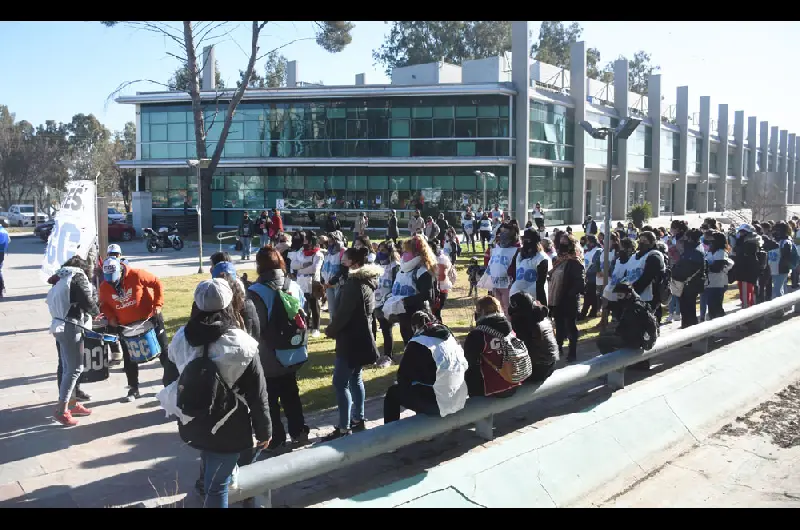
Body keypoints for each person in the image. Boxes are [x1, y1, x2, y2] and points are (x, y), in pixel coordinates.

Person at [157, 279, 271, 509]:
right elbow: (257, 394)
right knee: (217, 484)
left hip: (193, 419)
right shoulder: (243, 344)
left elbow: (169, 380)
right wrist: (264, 430)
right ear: (230, 303)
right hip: (229, 425)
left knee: (211, 465)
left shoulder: (180, 338)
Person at [247, 246, 310, 451]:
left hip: (268, 355)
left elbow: (254, 328)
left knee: (270, 399)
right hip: (292, 351)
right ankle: (299, 432)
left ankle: (277, 439)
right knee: (291, 393)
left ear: (259, 266)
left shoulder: (256, 292)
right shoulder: (293, 285)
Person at [323, 247, 382, 440]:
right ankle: (358, 418)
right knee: (355, 378)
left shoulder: (354, 284)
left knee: (340, 383)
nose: (342, 264)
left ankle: (344, 427)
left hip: (350, 339)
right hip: (362, 337)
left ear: (355, 264)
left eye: (345, 261)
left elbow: (343, 315)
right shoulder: (365, 280)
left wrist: (330, 330)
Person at [99, 258, 177, 401]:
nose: (111, 282)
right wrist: (110, 317)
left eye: (113, 278)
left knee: (164, 352)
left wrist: (158, 304)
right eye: (108, 279)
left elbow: (156, 283)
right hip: (126, 326)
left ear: (120, 271)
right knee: (129, 358)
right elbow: (104, 305)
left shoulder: (137, 274)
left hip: (150, 319)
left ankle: (172, 384)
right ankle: (133, 389)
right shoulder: (104, 286)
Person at [383, 310, 468, 423]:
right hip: (459, 396)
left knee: (393, 392)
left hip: (438, 403)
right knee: (424, 382)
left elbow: (402, 376)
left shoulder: (418, 342)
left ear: (414, 327)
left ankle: (391, 434)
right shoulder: (450, 337)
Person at [47, 255, 100, 426]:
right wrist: (96, 312)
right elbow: (88, 301)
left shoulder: (60, 279)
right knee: (75, 368)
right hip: (70, 326)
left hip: (59, 324)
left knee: (67, 366)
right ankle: (62, 410)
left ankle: (71, 403)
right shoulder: (77, 276)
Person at [463, 296, 527, 397]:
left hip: (494, 388)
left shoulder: (478, 334)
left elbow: (468, 362)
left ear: (481, 312)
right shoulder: (510, 328)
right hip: (516, 381)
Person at [381, 235, 438, 345]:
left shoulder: (422, 270)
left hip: (418, 316)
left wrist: (405, 300)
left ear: (417, 253)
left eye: (407, 251)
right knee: (407, 339)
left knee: (418, 343)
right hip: (404, 314)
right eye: (404, 251)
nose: (404, 254)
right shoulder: (403, 268)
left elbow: (427, 295)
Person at [596, 282, 658, 363]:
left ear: (628, 295)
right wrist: (608, 305)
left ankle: (613, 364)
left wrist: (619, 332)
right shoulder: (633, 302)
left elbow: (629, 326)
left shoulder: (635, 308)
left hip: (633, 339)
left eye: (620, 295)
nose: (619, 298)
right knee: (604, 335)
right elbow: (620, 306)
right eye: (617, 295)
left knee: (601, 341)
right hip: (633, 337)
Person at [548, 234, 585, 363]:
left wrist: (569, 294)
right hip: (556, 298)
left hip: (569, 299)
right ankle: (558, 348)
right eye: (561, 242)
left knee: (570, 326)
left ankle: (572, 352)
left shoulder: (575, 262)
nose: (562, 245)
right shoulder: (558, 260)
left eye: (565, 243)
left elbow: (580, 283)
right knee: (559, 325)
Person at [508, 292, 559, 384]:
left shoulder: (524, 322)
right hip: (551, 363)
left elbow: (522, 348)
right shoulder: (542, 316)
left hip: (537, 369)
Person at [670, 228, 706, 328]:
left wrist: (674, 272)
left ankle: (690, 335)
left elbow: (686, 269)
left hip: (690, 285)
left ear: (689, 238)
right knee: (686, 310)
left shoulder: (695, 252)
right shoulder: (694, 249)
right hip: (689, 284)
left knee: (688, 311)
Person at [374, 240, 401, 368]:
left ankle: (388, 356)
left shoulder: (395, 265)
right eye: (379, 250)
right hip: (376, 301)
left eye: (383, 250)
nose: (380, 253)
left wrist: (390, 299)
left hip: (388, 301)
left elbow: (397, 283)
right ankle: (374, 355)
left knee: (386, 329)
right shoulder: (376, 264)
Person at [292, 232, 323, 338]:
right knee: (302, 304)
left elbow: (314, 268)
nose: (304, 242)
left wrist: (300, 268)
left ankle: (316, 328)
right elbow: (293, 264)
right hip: (301, 281)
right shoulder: (301, 252)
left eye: (306, 240)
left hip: (313, 281)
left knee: (314, 305)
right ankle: (305, 325)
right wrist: (303, 265)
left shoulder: (318, 254)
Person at [508, 228, 550, 306]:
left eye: (529, 240)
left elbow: (541, 283)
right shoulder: (519, 255)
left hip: (534, 297)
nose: (526, 242)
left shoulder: (541, 257)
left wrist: (542, 303)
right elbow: (513, 272)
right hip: (517, 293)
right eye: (525, 239)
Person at [487, 222, 520, 317]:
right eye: (501, 233)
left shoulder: (516, 249)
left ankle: (511, 328)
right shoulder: (497, 247)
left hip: (508, 284)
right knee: (500, 307)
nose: (502, 235)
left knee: (508, 308)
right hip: (496, 282)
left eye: (505, 232)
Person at [602, 236, 634, 325]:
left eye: (623, 247)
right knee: (614, 306)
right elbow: (611, 269)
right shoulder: (618, 257)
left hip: (625, 288)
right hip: (614, 286)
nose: (621, 248)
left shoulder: (633, 258)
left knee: (623, 308)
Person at [732, 224, 763, 308]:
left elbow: (741, 254)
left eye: (741, 232)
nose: (739, 234)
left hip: (746, 270)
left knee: (746, 291)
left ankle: (747, 309)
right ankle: (750, 306)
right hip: (746, 269)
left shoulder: (749, 243)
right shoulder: (749, 242)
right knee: (749, 290)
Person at [705, 232, 733, 320]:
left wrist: (706, 266)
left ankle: (723, 325)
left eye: (712, 239)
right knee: (711, 306)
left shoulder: (721, 252)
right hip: (710, 282)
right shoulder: (710, 251)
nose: (710, 241)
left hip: (719, 282)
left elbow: (717, 268)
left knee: (717, 306)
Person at [764, 221, 795, 299]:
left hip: (780, 269)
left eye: (777, 230)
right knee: (781, 288)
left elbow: (786, 256)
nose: (774, 232)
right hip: (774, 268)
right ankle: (785, 306)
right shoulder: (776, 240)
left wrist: (774, 245)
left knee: (777, 290)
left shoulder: (786, 242)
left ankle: (779, 310)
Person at [321, 231, 347, 319]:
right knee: (332, 309)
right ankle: (333, 328)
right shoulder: (328, 252)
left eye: (332, 239)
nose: (330, 241)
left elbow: (343, 269)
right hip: (328, 284)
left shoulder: (343, 251)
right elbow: (325, 267)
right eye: (329, 239)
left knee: (339, 308)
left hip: (339, 284)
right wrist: (323, 280)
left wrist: (333, 281)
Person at [579, 235, 602, 320]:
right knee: (590, 295)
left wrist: (588, 272)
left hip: (594, 278)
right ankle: (591, 311)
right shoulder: (588, 251)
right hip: (588, 277)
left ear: (592, 243)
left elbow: (596, 265)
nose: (586, 243)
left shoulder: (598, 251)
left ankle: (587, 312)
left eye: (588, 242)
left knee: (590, 296)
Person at [430, 239, 453, 322]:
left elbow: (442, 276)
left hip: (440, 289)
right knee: (433, 314)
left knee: (436, 313)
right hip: (434, 288)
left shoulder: (440, 259)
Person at [0, 222, 8, 297]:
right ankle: (2, 288)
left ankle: (1, 289)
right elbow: (8, 241)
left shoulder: (1, 232)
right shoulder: (3, 231)